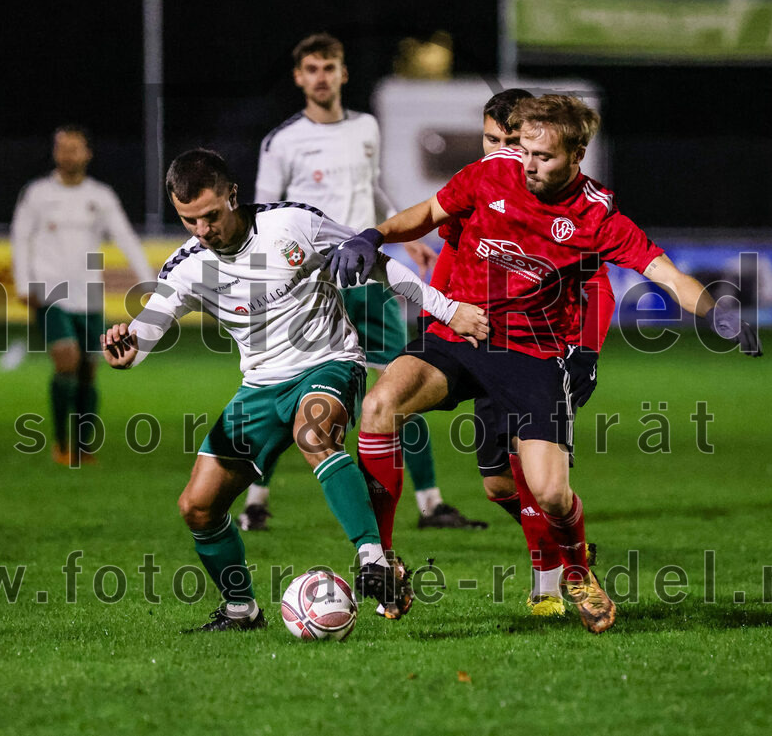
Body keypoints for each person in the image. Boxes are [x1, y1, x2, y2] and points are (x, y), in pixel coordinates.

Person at [327, 94, 762, 634]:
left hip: (533, 354)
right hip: (459, 332)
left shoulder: (597, 216)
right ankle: (384, 558)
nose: (526, 163)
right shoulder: (493, 173)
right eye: (524, 149)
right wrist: (376, 235)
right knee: (379, 404)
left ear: (577, 155)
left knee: (551, 493)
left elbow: (666, 275)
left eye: (543, 156)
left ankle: (577, 573)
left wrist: (717, 312)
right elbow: (429, 212)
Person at [101, 148, 489, 631]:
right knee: (197, 507)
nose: (202, 231)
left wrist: (448, 310)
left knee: (314, 433)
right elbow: (143, 336)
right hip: (260, 387)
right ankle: (241, 610)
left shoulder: (293, 226)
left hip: (329, 363)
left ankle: (374, 559)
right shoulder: (187, 266)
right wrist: (125, 347)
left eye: (210, 216)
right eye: (188, 221)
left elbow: (377, 263)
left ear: (233, 196)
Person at [242, 31, 486, 532]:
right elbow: (261, 214)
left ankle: (431, 504)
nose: (321, 77)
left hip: (370, 278)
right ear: (298, 77)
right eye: (311, 69)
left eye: (329, 68)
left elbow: (370, 186)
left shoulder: (366, 127)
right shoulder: (282, 142)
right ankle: (255, 501)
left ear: (343, 73)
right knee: (285, 386)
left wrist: (404, 230)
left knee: (404, 381)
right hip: (312, 289)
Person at [426, 88, 614, 618]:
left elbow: (598, 283)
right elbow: (453, 254)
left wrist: (586, 353)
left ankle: (549, 588)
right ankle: (563, 546)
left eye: (513, 141)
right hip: (480, 341)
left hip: (541, 350)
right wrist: (433, 321)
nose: (504, 152)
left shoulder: (567, 205)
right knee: (496, 484)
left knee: (538, 478)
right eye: (492, 140)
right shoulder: (482, 189)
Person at [11, 125, 154, 466]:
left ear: (87, 153)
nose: (67, 155)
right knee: (67, 362)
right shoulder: (38, 193)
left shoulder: (100, 196)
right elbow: (20, 237)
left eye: (74, 149)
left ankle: (84, 447)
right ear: (55, 153)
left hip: (89, 295)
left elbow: (125, 237)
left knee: (90, 371)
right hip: (51, 293)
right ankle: (61, 444)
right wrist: (23, 283)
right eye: (62, 148)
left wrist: (149, 282)